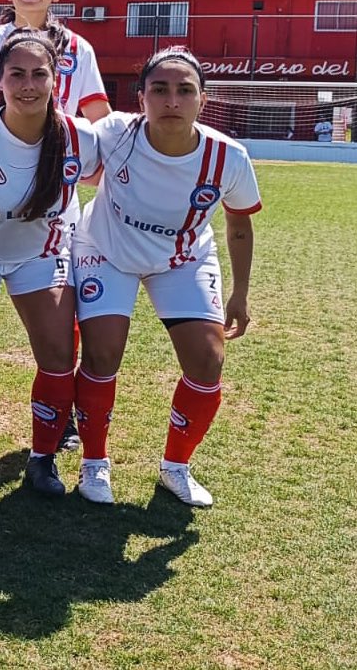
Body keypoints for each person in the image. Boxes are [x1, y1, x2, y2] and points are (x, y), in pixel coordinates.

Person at [71, 46, 260, 507]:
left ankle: (176, 467)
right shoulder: (115, 133)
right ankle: (94, 464)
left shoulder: (228, 157)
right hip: (106, 249)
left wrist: (241, 293)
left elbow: (238, 223)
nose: (171, 100)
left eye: (184, 90)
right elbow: (63, 155)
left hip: (183, 257)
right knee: (102, 353)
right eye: (159, 89)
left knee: (208, 361)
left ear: (203, 100)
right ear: (141, 98)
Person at [0, 30, 100, 497]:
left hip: (40, 252)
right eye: (17, 74)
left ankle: (42, 459)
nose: (28, 85)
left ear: (56, 79)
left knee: (56, 355)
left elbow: (131, 167)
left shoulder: (79, 136)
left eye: (39, 74)